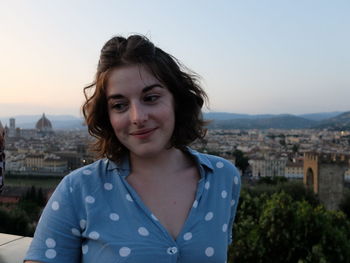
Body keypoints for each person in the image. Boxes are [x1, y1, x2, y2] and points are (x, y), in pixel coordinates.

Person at [24, 34, 241, 263]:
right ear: (107, 116)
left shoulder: (223, 177)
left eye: (151, 98)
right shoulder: (77, 190)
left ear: (176, 100)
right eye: (119, 105)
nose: (138, 117)